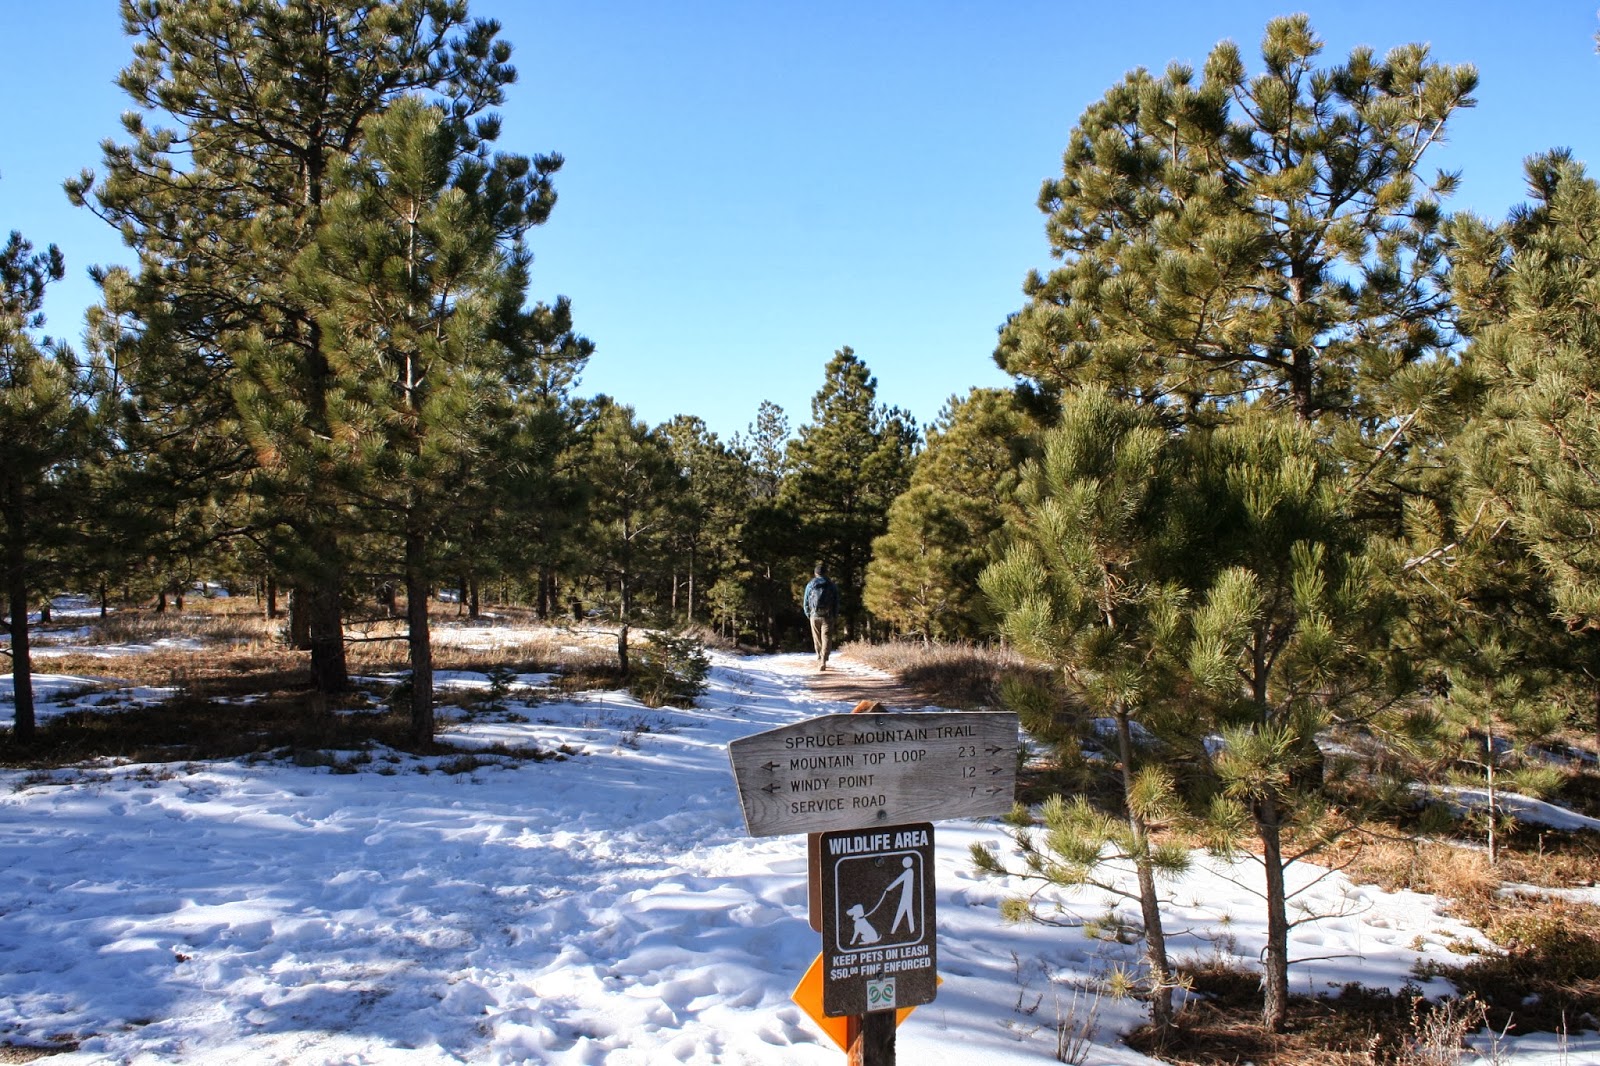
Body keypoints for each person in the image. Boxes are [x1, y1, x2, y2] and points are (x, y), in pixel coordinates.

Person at [802, 563, 840, 671]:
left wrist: (808, 614)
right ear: (826, 573)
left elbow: (805, 601)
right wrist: (835, 614)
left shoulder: (810, 584)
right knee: (826, 637)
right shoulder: (831, 584)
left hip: (814, 615)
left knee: (817, 637)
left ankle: (819, 655)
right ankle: (824, 659)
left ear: (815, 573)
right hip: (827, 616)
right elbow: (836, 601)